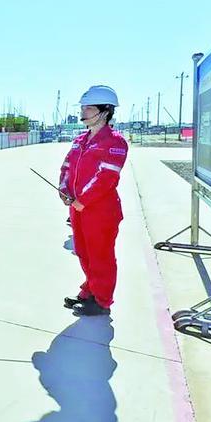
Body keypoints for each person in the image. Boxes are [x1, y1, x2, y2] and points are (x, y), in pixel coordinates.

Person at [58, 85, 128, 316]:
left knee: (100, 256)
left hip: (100, 210)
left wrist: (83, 200)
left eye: (88, 108)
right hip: (78, 208)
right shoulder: (80, 140)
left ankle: (102, 301)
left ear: (105, 111)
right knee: (84, 253)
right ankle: (90, 291)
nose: (83, 112)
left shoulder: (115, 142)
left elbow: (106, 177)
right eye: (83, 108)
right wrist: (64, 189)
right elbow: (67, 166)